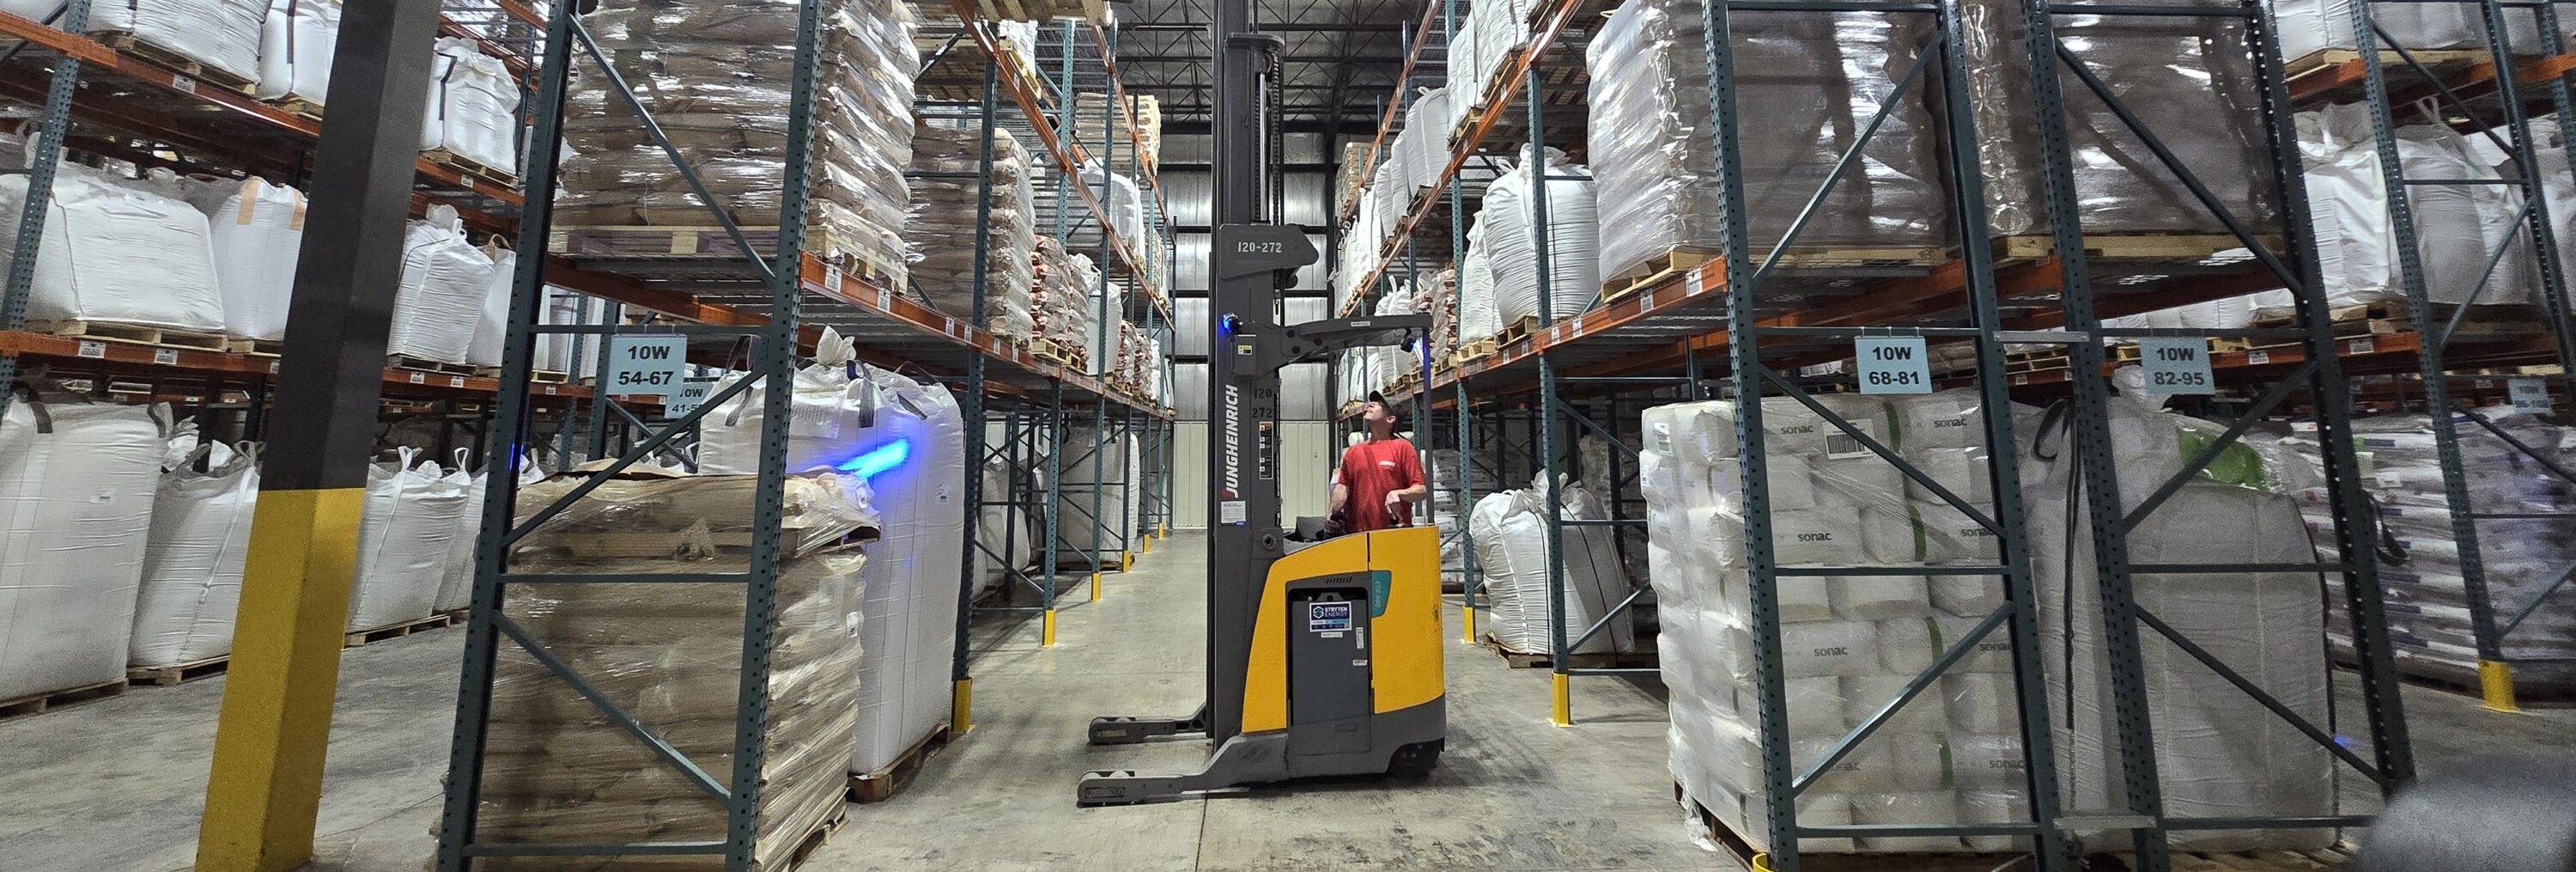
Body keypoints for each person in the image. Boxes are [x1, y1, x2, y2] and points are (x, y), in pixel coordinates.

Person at [1329, 391, 1426, 534]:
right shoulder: (1354, 452)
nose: (1370, 404)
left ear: (1390, 419)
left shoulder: (1402, 448)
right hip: (1357, 534)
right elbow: (1342, 487)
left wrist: (1399, 494)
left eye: (1379, 404)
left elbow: (1421, 490)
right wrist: (1331, 513)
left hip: (1392, 534)